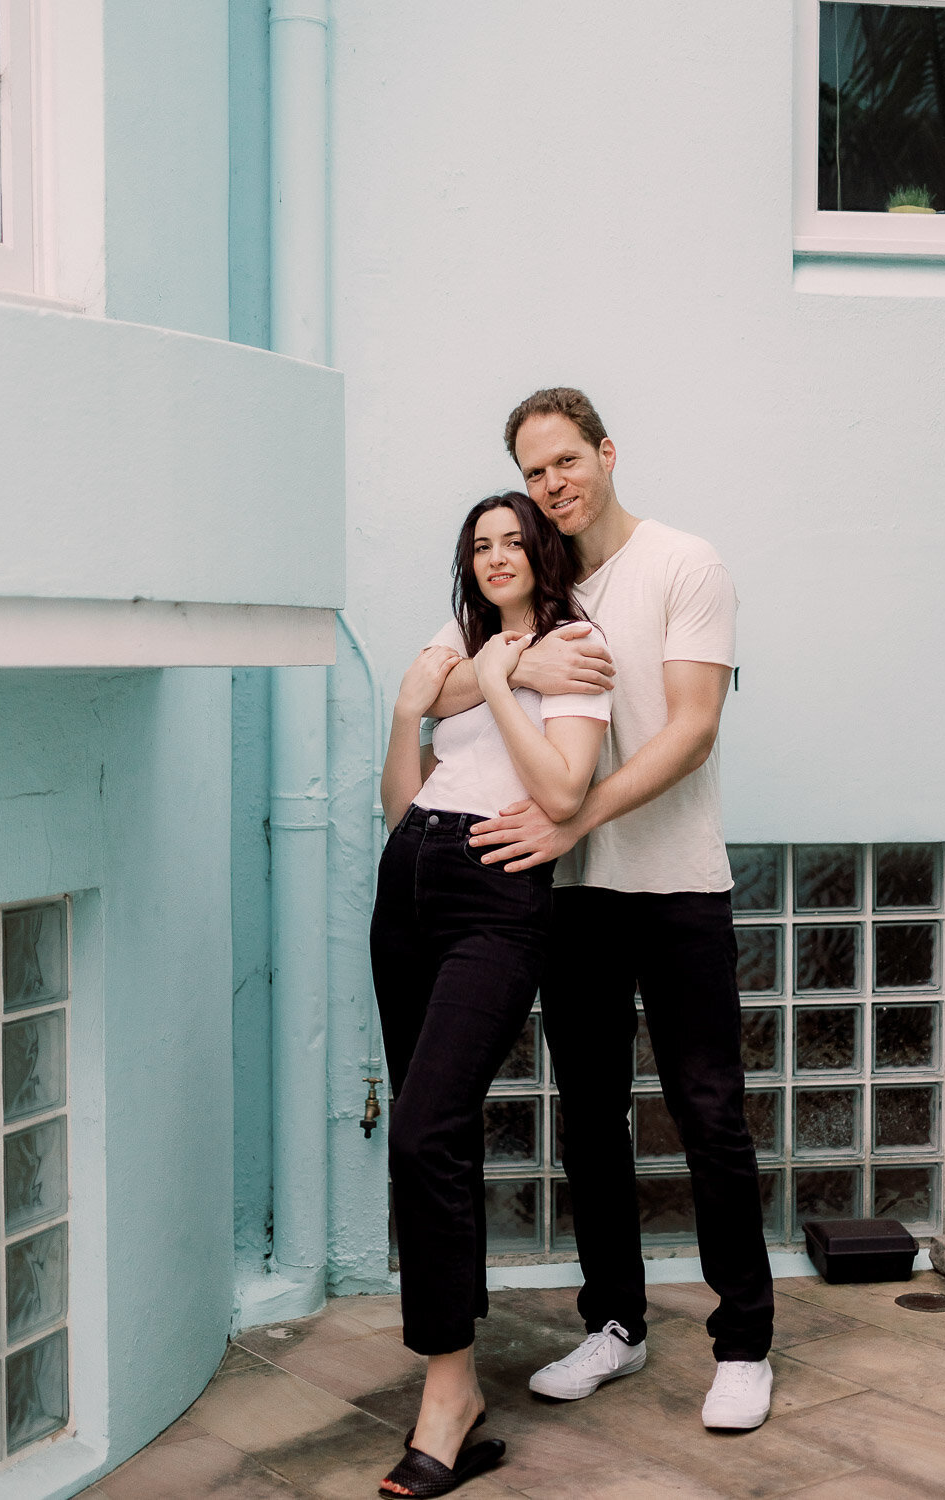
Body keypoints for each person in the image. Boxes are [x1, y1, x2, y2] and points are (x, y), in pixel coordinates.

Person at [428, 389, 775, 1432]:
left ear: (607, 453)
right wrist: (514, 662)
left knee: (708, 1109)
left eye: (566, 462)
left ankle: (746, 1340)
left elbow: (691, 730)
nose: (552, 487)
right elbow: (436, 686)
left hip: (670, 882)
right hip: (568, 900)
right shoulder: (533, 579)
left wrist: (577, 822)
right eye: (534, 473)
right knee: (590, 1118)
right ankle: (615, 1326)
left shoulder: (684, 563)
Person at [371, 489, 612, 1497]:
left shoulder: (578, 646)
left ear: (544, 551)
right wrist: (404, 714)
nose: (498, 554)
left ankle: (446, 1401)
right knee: (440, 1138)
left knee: (423, 1129)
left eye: (516, 540)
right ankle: (455, 1390)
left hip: (496, 896)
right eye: (481, 545)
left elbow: (562, 795)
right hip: (410, 878)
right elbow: (401, 798)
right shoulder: (459, 638)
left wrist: (501, 682)